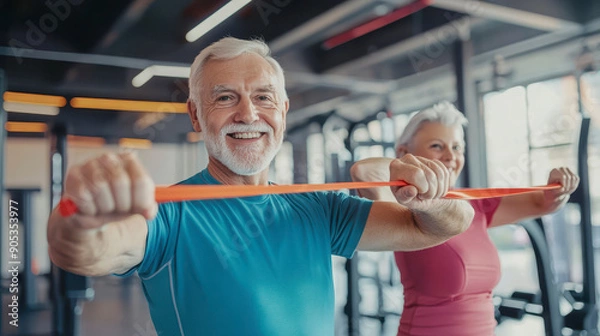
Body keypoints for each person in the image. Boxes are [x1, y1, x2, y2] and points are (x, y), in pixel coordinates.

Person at [46, 38, 475, 335]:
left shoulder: (318, 209)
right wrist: (82, 214)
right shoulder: (168, 214)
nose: (248, 113)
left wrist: (430, 197)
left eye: (264, 97)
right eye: (225, 97)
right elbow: (84, 250)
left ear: (283, 111)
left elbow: (438, 227)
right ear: (196, 115)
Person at [350, 101, 580, 336]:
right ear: (405, 153)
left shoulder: (474, 206)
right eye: (437, 146)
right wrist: (410, 170)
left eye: (457, 147)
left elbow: (543, 202)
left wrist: (560, 188)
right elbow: (364, 172)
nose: (450, 156)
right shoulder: (404, 205)